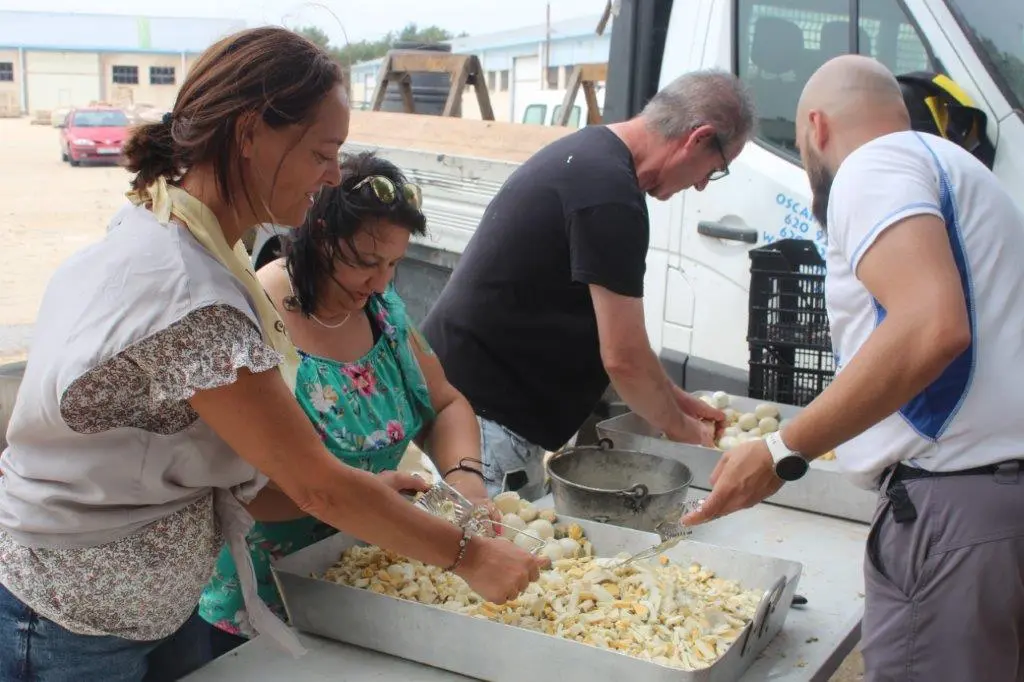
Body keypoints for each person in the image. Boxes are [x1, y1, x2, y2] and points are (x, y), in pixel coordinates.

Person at [0, 27, 542, 682]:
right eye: (322, 152)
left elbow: (256, 468)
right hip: (70, 617)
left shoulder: (182, 240)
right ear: (250, 134)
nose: (333, 174)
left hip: (143, 608)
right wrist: (469, 557)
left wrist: (370, 493)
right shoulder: (189, 294)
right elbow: (318, 484)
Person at [682, 55, 1024, 682]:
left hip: (955, 506)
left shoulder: (872, 166)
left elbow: (931, 326)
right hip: (995, 503)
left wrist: (782, 449)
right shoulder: (955, 166)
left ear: (816, 127)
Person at [198, 150, 496, 656]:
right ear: (316, 237)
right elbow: (232, 488)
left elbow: (445, 405)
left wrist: (465, 478)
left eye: (394, 264)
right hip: (264, 603)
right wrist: (359, 499)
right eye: (366, 263)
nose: (382, 282)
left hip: (366, 582)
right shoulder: (249, 318)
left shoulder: (381, 311)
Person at [420, 69, 755, 500]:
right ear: (699, 138)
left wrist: (674, 398)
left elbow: (621, 339)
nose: (703, 184)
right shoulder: (610, 194)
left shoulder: (594, 156)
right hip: (482, 416)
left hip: (463, 396)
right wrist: (687, 435)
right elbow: (623, 358)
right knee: (494, 539)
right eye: (717, 168)